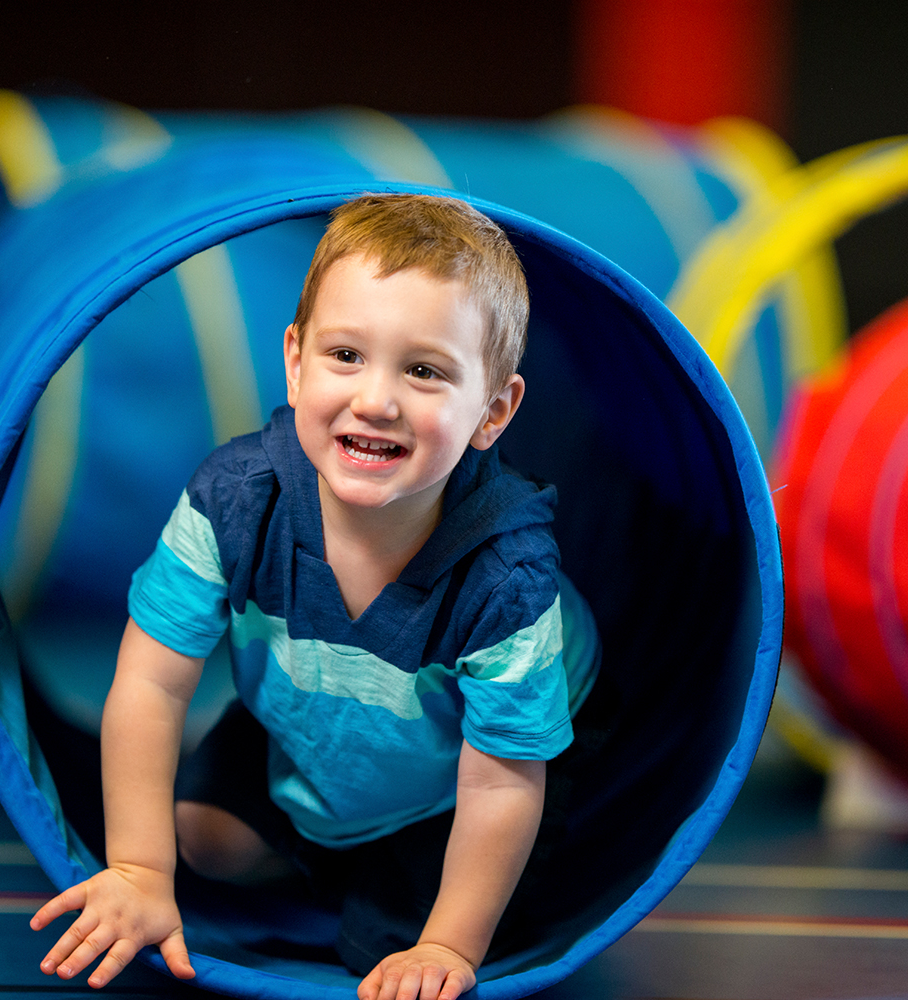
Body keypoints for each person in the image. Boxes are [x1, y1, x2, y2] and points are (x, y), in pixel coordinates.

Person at [31, 193, 600, 1000]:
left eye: (426, 371)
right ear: (294, 361)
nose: (376, 399)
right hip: (310, 715)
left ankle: (377, 873)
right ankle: (324, 847)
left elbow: (501, 780)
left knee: (387, 954)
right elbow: (153, 682)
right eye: (346, 356)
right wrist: (137, 868)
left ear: (494, 411)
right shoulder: (235, 500)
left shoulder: (506, 579)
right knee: (201, 840)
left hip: (468, 775)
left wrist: (447, 944)